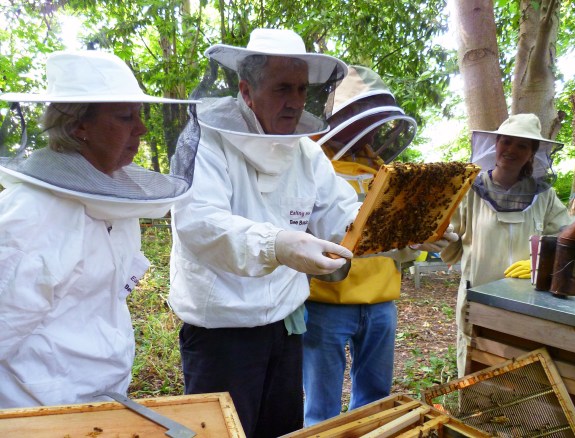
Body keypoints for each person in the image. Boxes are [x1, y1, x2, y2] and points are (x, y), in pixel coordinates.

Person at [168, 28, 361, 437]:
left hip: (284, 328)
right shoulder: (207, 140)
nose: (296, 100)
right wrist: (278, 244)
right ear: (247, 91)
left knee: (281, 431)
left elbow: (341, 215)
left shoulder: (306, 151)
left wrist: (399, 232)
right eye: (282, 88)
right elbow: (200, 222)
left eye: (301, 89)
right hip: (221, 335)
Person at [0, 50, 200, 408]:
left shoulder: (115, 200)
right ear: (79, 125)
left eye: (139, 114)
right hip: (37, 412)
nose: (141, 128)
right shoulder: (29, 216)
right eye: (125, 117)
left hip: (102, 398)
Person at [303, 65, 458, 425]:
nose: (372, 129)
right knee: (321, 408)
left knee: (375, 403)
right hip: (326, 303)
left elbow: (393, 243)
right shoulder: (310, 163)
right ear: (341, 117)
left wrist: (423, 237)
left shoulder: (380, 170)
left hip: (381, 303)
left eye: (376, 120)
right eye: (363, 117)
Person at [440, 113, 571, 377]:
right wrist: (437, 238)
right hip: (477, 297)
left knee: (521, 371)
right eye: (506, 141)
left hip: (528, 303)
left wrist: (539, 263)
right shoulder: (469, 191)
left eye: (522, 145)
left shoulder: (545, 196)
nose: (511, 149)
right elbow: (448, 242)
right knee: (475, 367)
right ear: (496, 143)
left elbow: (565, 240)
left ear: (532, 153)